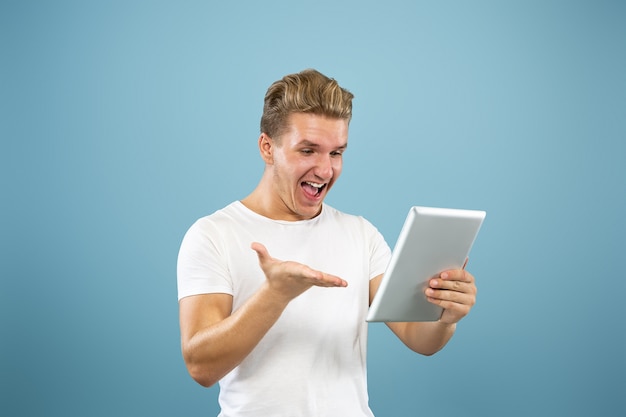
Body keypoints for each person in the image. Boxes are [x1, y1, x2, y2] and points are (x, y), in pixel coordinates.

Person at [177, 69, 477, 417]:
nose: (324, 170)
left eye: (336, 153)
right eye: (308, 150)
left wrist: (445, 317)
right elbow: (201, 367)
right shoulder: (214, 234)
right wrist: (274, 295)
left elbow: (418, 338)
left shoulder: (361, 234)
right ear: (267, 148)